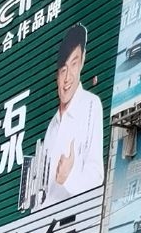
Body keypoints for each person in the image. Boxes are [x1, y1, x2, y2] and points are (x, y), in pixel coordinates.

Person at [43, 23, 104, 206]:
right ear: (57, 76)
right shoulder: (52, 126)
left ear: (83, 60)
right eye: (63, 70)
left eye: (74, 64)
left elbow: (96, 175)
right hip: (43, 227)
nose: (68, 77)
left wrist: (67, 178)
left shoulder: (91, 105)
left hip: (72, 224)